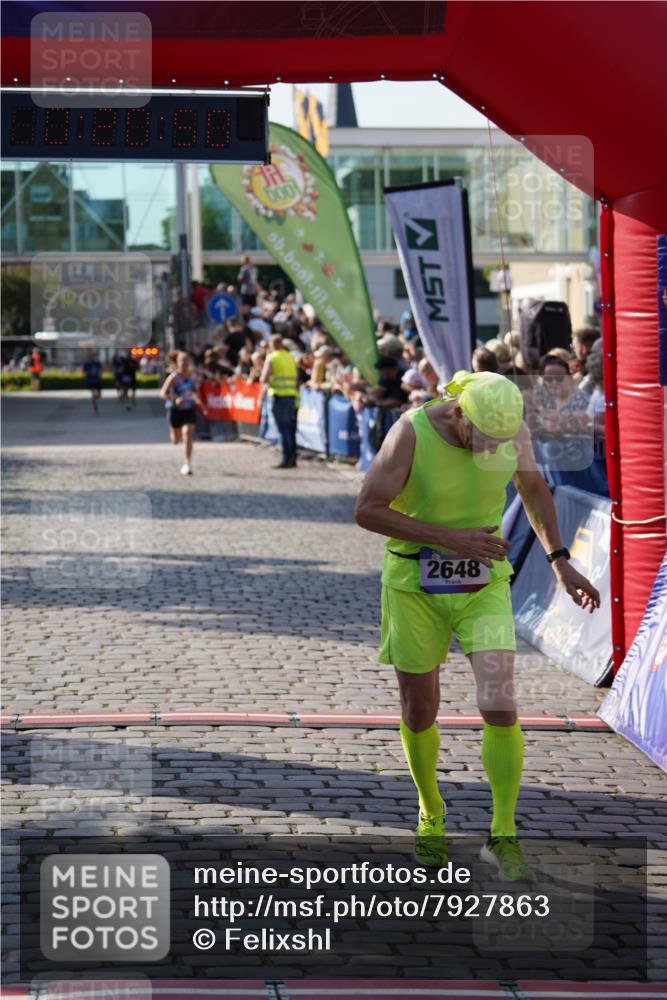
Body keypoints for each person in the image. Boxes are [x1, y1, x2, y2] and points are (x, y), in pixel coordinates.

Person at [354, 370, 600, 877]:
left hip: (483, 584)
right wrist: (447, 537)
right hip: (412, 585)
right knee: (419, 710)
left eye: (500, 441)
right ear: (460, 412)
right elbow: (367, 509)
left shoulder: (513, 432)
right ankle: (431, 812)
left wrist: (559, 560)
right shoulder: (409, 431)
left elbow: (533, 489)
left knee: (500, 702)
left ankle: (503, 835)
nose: (490, 449)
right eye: (481, 438)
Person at [160, 351, 206, 476]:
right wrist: (175, 399)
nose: (185, 364)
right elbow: (162, 394)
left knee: (188, 432)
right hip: (175, 410)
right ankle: (173, 432)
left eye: (187, 361)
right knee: (175, 440)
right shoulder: (174, 378)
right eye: (182, 361)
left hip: (188, 409)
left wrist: (202, 406)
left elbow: (194, 393)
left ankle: (187, 463)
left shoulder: (192, 377)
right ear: (178, 363)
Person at [260, 333, 299, 469]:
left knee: (283, 430)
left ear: (272, 345)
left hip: (278, 396)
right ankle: (293, 459)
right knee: (290, 429)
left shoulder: (272, 357)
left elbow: (263, 378)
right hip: (291, 396)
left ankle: (285, 459)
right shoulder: (289, 356)